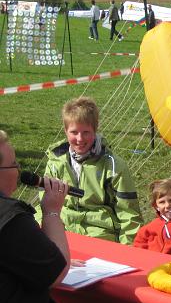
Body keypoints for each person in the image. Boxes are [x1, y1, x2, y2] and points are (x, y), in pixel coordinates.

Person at [0, 129, 109, 303]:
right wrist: (51, 211)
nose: (19, 170)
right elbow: (56, 272)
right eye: (13, 164)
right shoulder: (9, 217)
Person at [44, 97, 143, 245]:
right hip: (63, 234)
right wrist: (42, 233)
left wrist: (128, 252)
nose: (80, 139)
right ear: (65, 131)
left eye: (86, 132)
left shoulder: (114, 166)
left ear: (95, 130)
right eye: (74, 132)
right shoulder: (55, 162)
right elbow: (43, 204)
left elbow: (130, 215)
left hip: (101, 237)